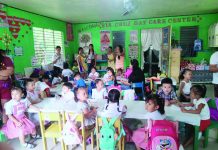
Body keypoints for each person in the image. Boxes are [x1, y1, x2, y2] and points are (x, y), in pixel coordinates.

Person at [0, 49, 14, 123]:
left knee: (6, 108)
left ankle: (6, 129)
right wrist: (3, 74)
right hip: (4, 84)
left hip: (5, 87)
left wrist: (4, 75)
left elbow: (10, 72)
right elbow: (5, 74)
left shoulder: (6, 59)